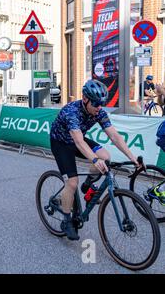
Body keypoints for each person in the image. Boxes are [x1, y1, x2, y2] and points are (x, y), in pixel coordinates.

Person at [50, 79, 140, 241]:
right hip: (61, 143)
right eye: (96, 104)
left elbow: (114, 136)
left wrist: (132, 157)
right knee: (71, 182)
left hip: (78, 141)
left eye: (102, 104)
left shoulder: (99, 111)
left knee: (105, 157)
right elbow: (78, 141)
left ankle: (87, 186)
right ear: (85, 99)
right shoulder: (72, 112)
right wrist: (93, 159)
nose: (99, 108)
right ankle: (66, 220)